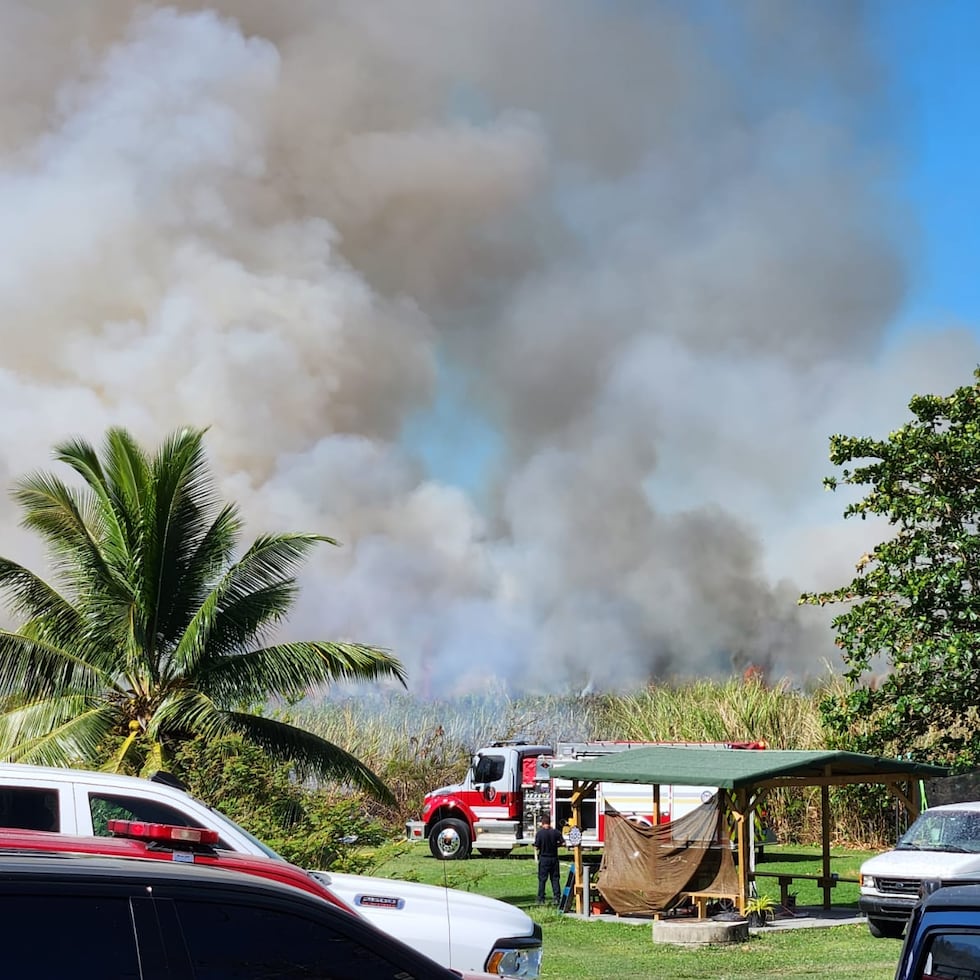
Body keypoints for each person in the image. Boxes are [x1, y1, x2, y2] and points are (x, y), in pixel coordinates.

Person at [533, 816, 565, 906]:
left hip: (544, 859)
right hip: (554, 858)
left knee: (542, 879)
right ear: (549, 823)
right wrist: (556, 845)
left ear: (542, 823)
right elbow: (563, 843)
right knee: (555, 879)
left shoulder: (539, 834)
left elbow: (536, 846)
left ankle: (541, 898)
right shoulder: (556, 832)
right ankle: (557, 898)